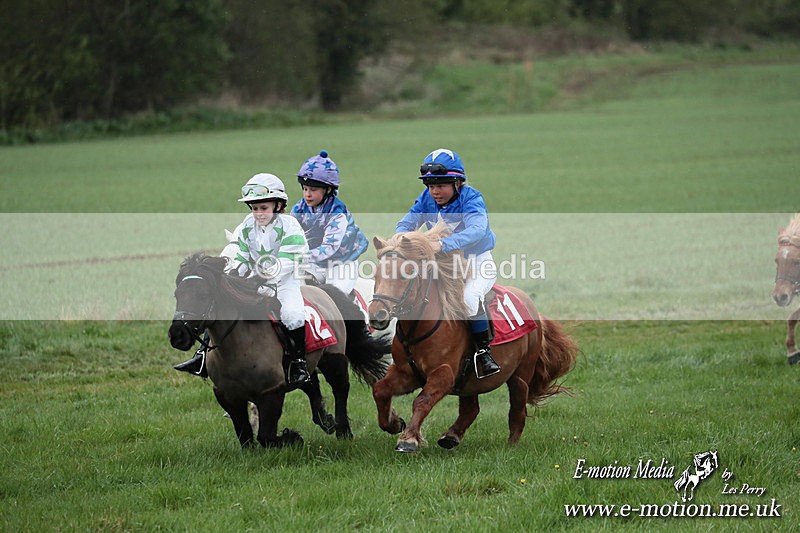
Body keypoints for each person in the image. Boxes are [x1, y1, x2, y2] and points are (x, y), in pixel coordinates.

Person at [174, 173, 312, 386]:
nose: (258, 213)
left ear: (278, 205)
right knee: (220, 307)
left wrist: (263, 275)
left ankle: (299, 363)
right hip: (254, 281)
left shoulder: (290, 225)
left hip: (285, 282)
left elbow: (289, 259)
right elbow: (240, 254)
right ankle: (201, 358)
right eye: (254, 208)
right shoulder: (248, 225)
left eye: (263, 208)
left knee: (292, 314)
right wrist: (234, 273)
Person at [396, 148, 501, 378]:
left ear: (457, 182)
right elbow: (406, 223)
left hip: (477, 261)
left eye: (440, 185)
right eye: (430, 185)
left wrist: (442, 245)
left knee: (469, 298)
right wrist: (400, 240)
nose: (434, 191)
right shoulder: (426, 198)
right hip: (444, 264)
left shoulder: (472, 198)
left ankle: (483, 353)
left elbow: (477, 230)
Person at [291, 150, 368, 297]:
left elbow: (329, 248)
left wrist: (301, 256)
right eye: (305, 189)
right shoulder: (298, 208)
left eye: (313, 190)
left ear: (329, 189)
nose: (307, 194)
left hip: (342, 261)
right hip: (315, 260)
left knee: (336, 296)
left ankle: (357, 319)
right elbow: (290, 235)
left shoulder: (337, 213)